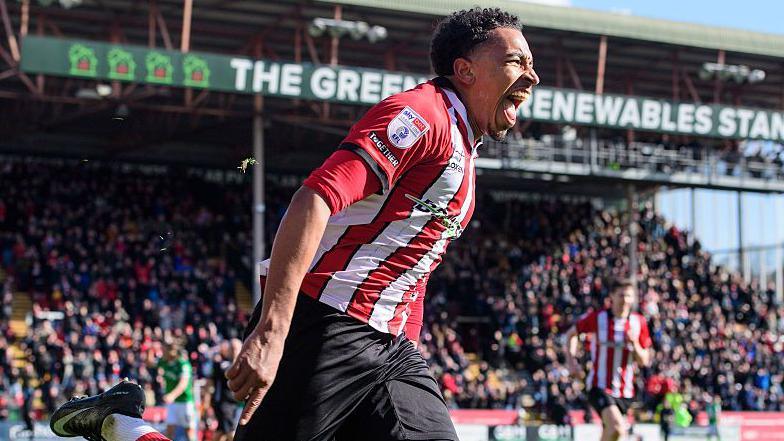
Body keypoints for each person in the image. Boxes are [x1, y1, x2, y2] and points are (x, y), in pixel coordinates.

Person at [48, 6, 539, 441]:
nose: (531, 77)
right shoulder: (420, 116)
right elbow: (316, 198)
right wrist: (271, 332)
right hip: (324, 325)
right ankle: (123, 426)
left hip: (391, 348)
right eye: (517, 62)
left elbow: (410, 262)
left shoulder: (463, 145)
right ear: (465, 70)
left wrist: (406, 338)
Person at [564, 278, 653, 441]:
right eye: (621, 295)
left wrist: (635, 344)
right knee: (617, 427)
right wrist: (571, 362)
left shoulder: (638, 322)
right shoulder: (599, 318)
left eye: (628, 296)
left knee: (613, 434)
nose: (625, 300)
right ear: (611, 296)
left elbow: (644, 360)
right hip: (599, 385)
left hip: (625, 391)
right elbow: (571, 334)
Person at [157, 339, 197, 441]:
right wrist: (149, 351)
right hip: (172, 404)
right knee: (169, 432)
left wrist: (172, 395)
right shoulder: (164, 362)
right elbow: (150, 363)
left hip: (185, 402)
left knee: (189, 432)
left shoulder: (183, 364)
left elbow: (183, 383)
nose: (163, 353)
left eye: (165, 350)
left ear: (172, 351)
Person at [209, 339, 242, 441]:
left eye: (236, 348)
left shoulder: (241, 364)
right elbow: (230, 373)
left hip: (234, 403)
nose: (234, 351)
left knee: (221, 431)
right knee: (231, 432)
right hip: (223, 403)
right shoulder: (222, 364)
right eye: (232, 348)